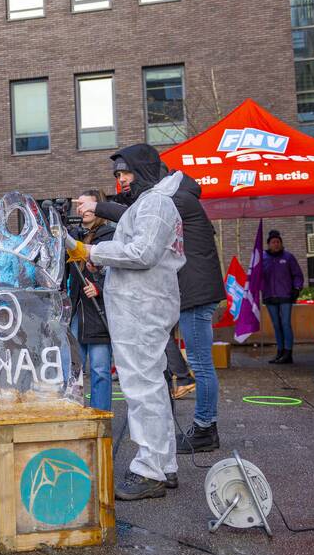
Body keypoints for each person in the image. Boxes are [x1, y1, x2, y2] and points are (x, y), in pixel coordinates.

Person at [85, 152, 226, 454]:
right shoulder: (176, 197)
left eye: (125, 173)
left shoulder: (170, 200)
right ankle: (199, 427)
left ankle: (205, 426)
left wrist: (97, 208)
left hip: (194, 292)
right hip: (191, 290)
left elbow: (141, 234)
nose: (121, 180)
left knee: (200, 363)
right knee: (187, 363)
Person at [71, 144, 185, 500]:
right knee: (150, 387)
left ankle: (149, 470)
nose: (120, 181)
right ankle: (163, 465)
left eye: (124, 173)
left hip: (143, 308)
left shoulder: (156, 204)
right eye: (117, 175)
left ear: (143, 171)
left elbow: (142, 253)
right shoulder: (149, 203)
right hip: (141, 306)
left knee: (142, 390)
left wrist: (91, 251)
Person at [67, 190, 115, 412]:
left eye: (87, 205)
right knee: (73, 370)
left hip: (99, 311)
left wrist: (100, 287)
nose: (82, 209)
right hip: (77, 309)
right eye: (79, 205)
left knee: (100, 370)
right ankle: (75, 418)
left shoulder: (110, 235)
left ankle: (101, 419)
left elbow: (120, 273)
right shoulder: (72, 235)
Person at [262, 230, 304, 364]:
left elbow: (298, 274)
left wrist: (297, 288)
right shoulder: (262, 258)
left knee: (285, 323)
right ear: (268, 244)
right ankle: (279, 352)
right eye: (273, 242)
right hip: (269, 296)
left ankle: (288, 352)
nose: (276, 244)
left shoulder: (288, 257)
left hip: (285, 295)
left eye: (278, 242)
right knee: (276, 324)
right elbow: (255, 275)